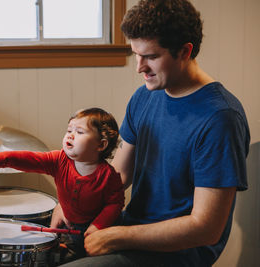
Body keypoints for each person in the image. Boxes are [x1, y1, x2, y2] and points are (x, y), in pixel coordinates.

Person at [57, 0, 250, 266]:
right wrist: (69, 205)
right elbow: (119, 176)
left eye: (151, 56)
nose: (139, 67)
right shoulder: (144, 98)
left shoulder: (220, 118)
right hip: (132, 227)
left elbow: (206, 228)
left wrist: (116, 237)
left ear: (184, 51)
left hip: (179, 253)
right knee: (50, 251)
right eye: (136, 54)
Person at [0, 107, 125, 261]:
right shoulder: (59, 160)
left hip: (97, 232)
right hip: (69, 228)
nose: (70, 135)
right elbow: (30, 159)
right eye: (69, 130)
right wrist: (1, 159)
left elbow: (115, 204)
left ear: (101, 145)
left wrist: (98, 226)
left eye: (79, 132)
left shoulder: (109, 176)